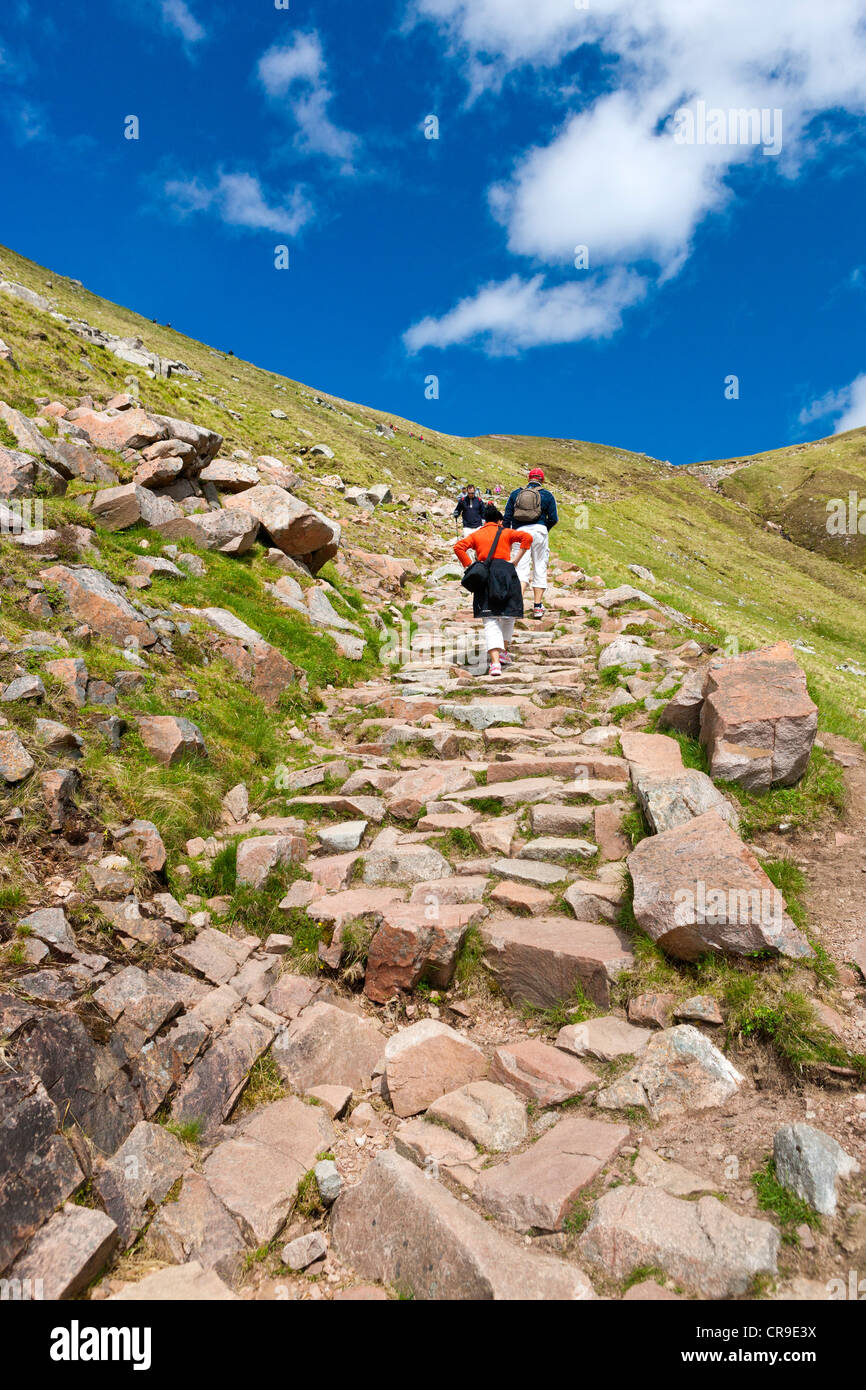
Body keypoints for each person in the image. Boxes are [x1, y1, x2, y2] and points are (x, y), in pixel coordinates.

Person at [454, 504, 532, 676]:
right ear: (499, 520)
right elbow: (527, 538)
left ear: (484, 520)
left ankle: (495, 663)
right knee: (508, 613)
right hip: (506, 573)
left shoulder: (477, 534)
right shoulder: (506, 532)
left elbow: (458, 547)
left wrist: (470, 566)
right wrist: (516, 560)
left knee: (489, 618)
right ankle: (503, 651)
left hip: (485, 574)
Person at [503, 467, 558, 619]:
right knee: (539, 566)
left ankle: (517, 606)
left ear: (528, 479)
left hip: (520, 533)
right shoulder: (547, 495)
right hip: (539, 532)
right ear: (542, 480)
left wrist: (508, 536)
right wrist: (543, 529)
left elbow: (507, 517)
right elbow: (553, 518)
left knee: (521, 569)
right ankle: (537, 607)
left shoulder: (516, 493)